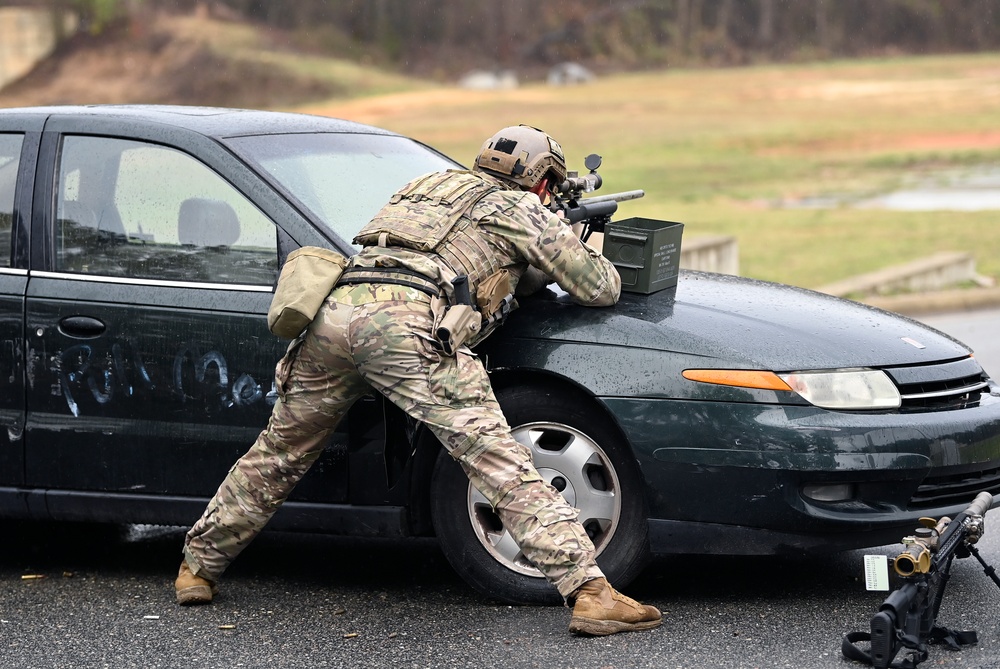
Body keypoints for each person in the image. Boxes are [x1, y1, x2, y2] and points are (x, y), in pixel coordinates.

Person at [175, 124, 662, 637]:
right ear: (543, 184)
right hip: (406, 328)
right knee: (497, 459)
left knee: (278, 452)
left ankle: (197, 566)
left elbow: (459, 255)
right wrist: (563, 233)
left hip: (333, 314)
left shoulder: (426, 187)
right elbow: (599, 286)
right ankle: (589, 591)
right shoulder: (522, 210)